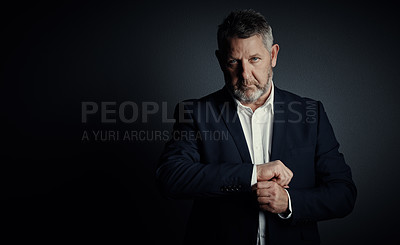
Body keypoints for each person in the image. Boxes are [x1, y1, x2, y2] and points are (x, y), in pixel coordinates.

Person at [156, 9, 357, 245]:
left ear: (273, 55)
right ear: (221, 61)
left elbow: (343, 194)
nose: (245, 74)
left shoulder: (311, 114)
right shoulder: (195, 113)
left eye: (254, 59)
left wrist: (289, 202)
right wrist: (252, 174)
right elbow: (170, 178)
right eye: (234, 62)